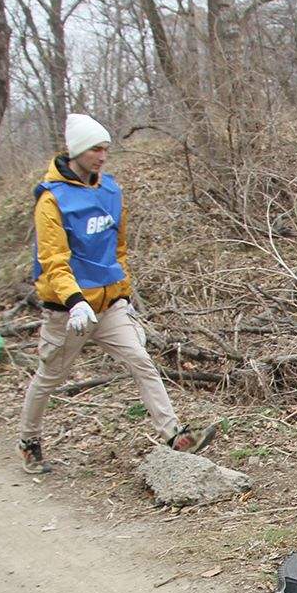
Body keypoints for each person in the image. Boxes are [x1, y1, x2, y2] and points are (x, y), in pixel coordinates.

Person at [17, 113, 213, 474]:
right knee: (49, 378)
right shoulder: (52, 200)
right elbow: (53, 260)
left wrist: (123, 294)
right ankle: (29, 442)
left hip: (109, 306)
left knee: (140, 359)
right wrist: (75, 302)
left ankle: (175, 435)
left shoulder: (110, 191)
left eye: (106, 148)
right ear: (76, 150)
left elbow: (117, 249)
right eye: (95, 149)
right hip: (67, 312)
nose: (102, 156)